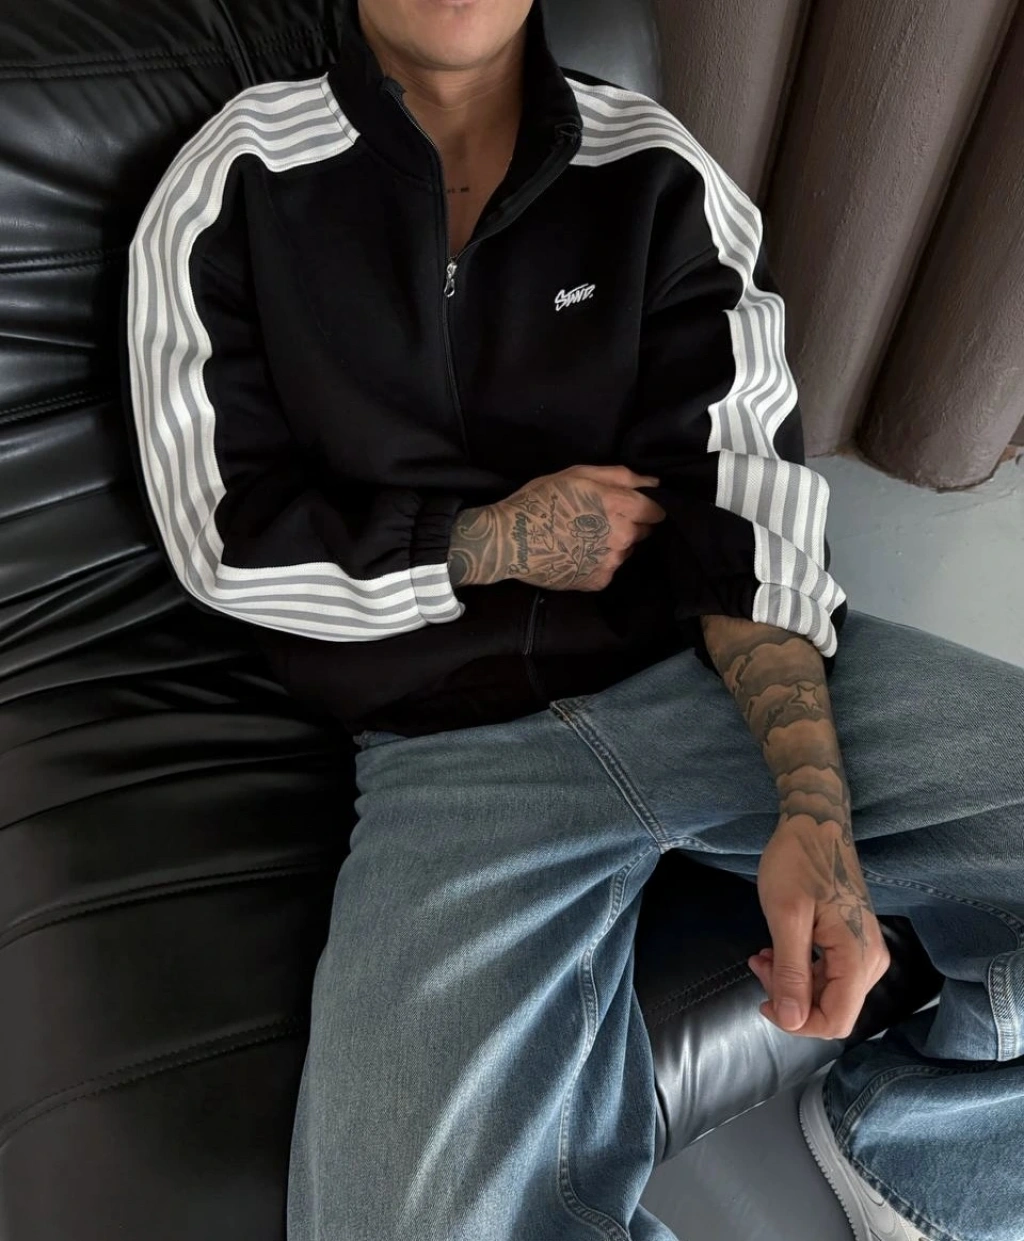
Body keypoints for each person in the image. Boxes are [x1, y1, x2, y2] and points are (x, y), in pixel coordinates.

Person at [124, 1, 1024, 1238]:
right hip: (445, 751)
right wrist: (485, 539)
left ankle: (924, 1157)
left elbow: (741, 497)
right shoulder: (231, 183)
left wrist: (812, 802)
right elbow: (225, 538)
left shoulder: (656, 171)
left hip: (700, 673)